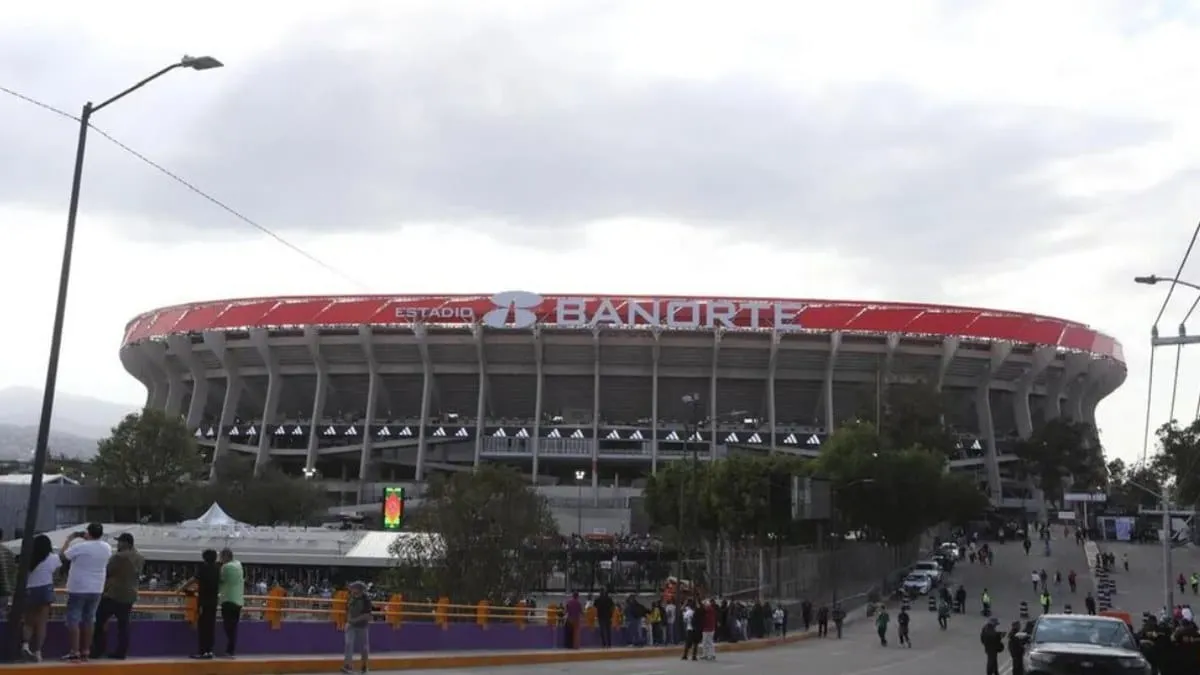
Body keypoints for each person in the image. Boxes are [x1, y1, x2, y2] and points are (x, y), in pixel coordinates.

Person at [60, 523, 113, 662]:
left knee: (74, 619)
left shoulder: (80, 547)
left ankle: (74, 651)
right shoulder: (107, 547)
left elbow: (63, 556)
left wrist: (69, 539)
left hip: (78, 587)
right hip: (96, 588)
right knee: (90, 619)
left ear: (88, 533)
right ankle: (86, 651)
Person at [91, 532, 143, 660]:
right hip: (130, 595)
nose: (118, 544)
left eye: (119, 541)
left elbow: (107, 572)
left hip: (113, 594)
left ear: (126, 543)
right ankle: (121, 652)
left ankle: (98, 650)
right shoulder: (140, 557)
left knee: (99, 621)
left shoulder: (118, 557)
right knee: (123, 625)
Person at [20, 534, 60, 662]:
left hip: (30, 590)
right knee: (42, 624)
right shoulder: (53, 558)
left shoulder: (27, 558)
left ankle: (25, 645)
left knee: (29, 621)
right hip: (45, 589)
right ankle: (38, 652)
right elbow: (61, 562)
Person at [182, 548, 221, 659]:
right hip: (213, 602)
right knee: (211, 626)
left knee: (203, 627)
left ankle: (202, 651)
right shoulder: (217, 569)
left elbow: (193, 579)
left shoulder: (204, 568)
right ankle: (209, 651)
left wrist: (181, 588)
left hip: (204, 602)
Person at [342, 581, 372, 674]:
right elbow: (348, 610)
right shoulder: (350, 597)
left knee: (364, 647)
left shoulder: (366, 600)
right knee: (348, 644)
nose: (351, 589)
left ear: (359, 589)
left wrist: (353, 621)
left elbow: (367, 615)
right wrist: (348, 621)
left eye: (353, 588)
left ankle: (364, 666)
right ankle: (348, 666)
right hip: (350, 625)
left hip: (362, 626)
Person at [218, 548, 244, 657]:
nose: (220, 559)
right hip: (238, 601)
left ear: (226, 557)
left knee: (228, 627)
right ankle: (230, 650)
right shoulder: (238, 564)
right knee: (233, 627)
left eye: (221, 557)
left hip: (228, 600)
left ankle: (230, 651)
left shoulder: (226, 567)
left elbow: (219, 579)